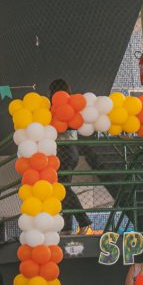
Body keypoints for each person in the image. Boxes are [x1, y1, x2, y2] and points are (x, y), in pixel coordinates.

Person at [48, 79, 93, 235]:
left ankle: (84, 222)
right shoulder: (72, 105)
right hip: (71, 150)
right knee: (64, 188)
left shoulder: (57, 106)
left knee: (63, 188)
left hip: (63, 150)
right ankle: (67, 227)